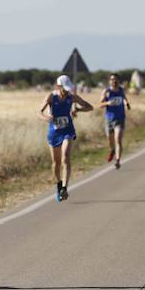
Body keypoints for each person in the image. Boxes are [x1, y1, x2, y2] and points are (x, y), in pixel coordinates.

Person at [39, 74, 94, 202]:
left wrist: (78, 110)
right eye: (64, 88)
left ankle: (64, 187)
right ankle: (59, 184)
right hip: (54, 132)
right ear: (58, 86)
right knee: (56, 163)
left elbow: (89, 107)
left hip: (67, 131)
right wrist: (46, 118)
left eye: (67, 88)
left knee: (65, 157)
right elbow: (39, 112)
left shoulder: (72, 97)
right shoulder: (51, 96)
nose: (66, 91)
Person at [99, 73, 131, 169]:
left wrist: (127, 103)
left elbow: (124, 98)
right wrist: (108, 102)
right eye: (112, 79)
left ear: (118, 81)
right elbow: (100, 104)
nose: (114, 81)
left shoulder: (121, 90)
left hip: (120, 118)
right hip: (109, 119)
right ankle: (112, 149)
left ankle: (117, 160)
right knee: (111, 139)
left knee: (118, 139)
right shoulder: (106, 92)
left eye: (116, 79)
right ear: (109, 81)